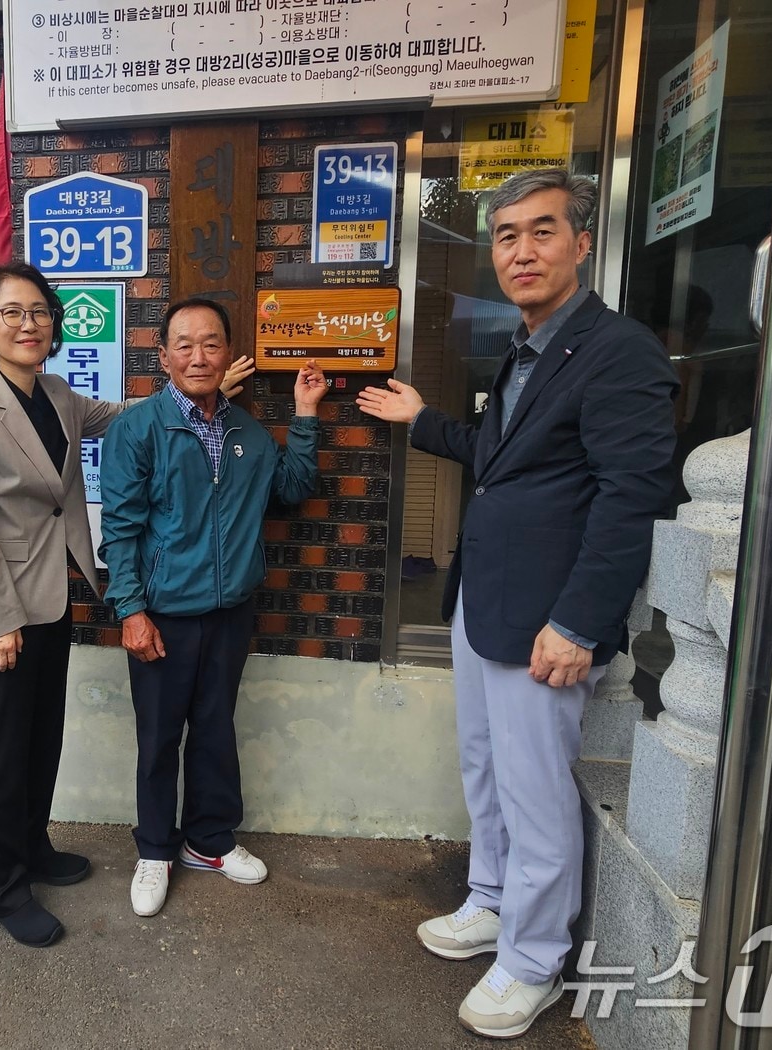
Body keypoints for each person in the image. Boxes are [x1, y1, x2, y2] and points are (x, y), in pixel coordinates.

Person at [356, 168, 677, 1039]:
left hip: (546, 618)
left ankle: (534, 959)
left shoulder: (618, 349)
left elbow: (631, 495)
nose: (522, 250)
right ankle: (491, 900)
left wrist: (578, 620)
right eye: (506, 236)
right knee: (486, 769)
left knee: (536, 791)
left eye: (542, 231)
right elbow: (506, 463)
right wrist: (423, 421)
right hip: (484, 603)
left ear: (581, 241)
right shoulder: (527, 347)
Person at [0, 264, 254, 948]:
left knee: (41, 736)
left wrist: (203, 384)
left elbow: (134, 416)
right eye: (13, 313)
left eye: (40, 313)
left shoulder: (55, 392)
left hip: (53, 597)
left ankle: (35, 846)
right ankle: (3, 888)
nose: (30, 325)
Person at [98, 297, 327, 918]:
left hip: (230, 612)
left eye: (211, 343)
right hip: (162, 613)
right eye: (185, 345)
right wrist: (131, 611)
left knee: (215, 730)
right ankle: (154, 850)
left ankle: (210, 841)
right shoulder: (138, 429)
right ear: (164, 356)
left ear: (228, 352)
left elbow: (291, 490)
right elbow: (119, 528)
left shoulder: (247, 433)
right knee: (159, 737)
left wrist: (305, 415)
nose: (198, 356)